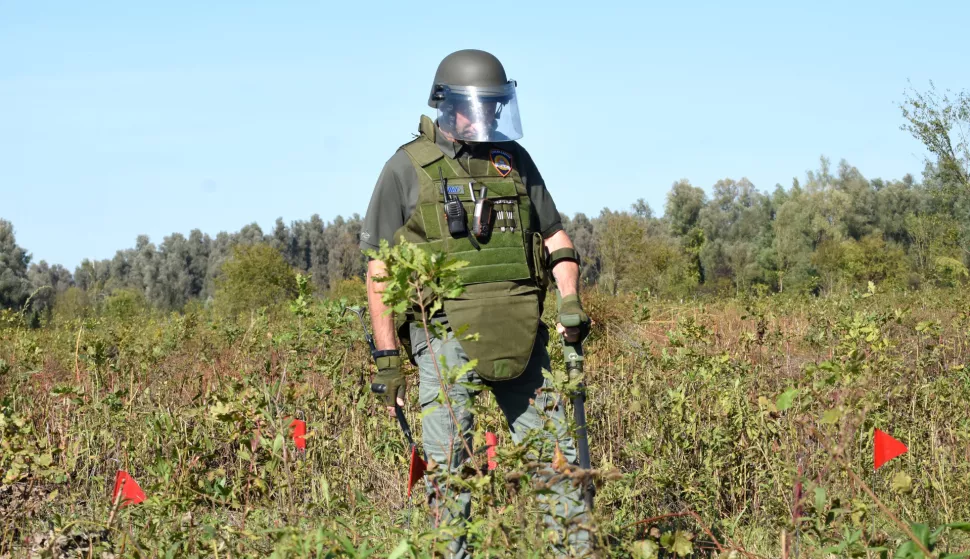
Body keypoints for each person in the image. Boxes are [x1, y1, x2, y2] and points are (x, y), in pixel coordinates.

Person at [359, 49, 592, 558]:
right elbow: (378, 273)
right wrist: (387, 358)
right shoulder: (404, 169)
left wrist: (569, 299)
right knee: (450, 475)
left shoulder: (513, 160)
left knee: (561, 463)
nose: (488, 117)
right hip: (442, 340)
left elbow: (555, 237)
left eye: (495, 105)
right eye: (478, 106)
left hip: (521, 333)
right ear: (447, 105)